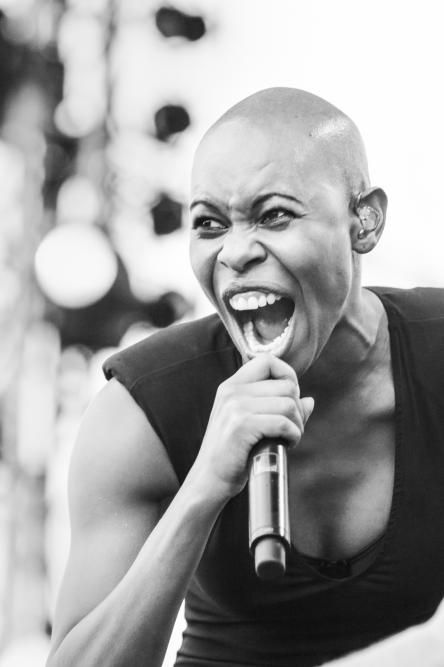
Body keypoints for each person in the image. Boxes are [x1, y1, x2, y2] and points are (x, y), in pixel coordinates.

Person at [46, 88, 444, 667]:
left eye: (274, 215)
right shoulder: (141, 411)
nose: (234, 253)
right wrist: (204, 487)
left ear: (364, 221)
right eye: (209, 224)